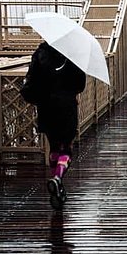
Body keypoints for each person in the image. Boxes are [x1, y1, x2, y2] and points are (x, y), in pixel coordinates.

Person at [21, 41, 86, 204]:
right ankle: (57, 178)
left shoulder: (40, 54)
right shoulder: (72, 53)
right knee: (66, 149)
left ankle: (56, 186)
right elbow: (80, 84)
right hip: (66, 107)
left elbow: (31, 80)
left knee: (54, 147)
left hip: (46, 106)